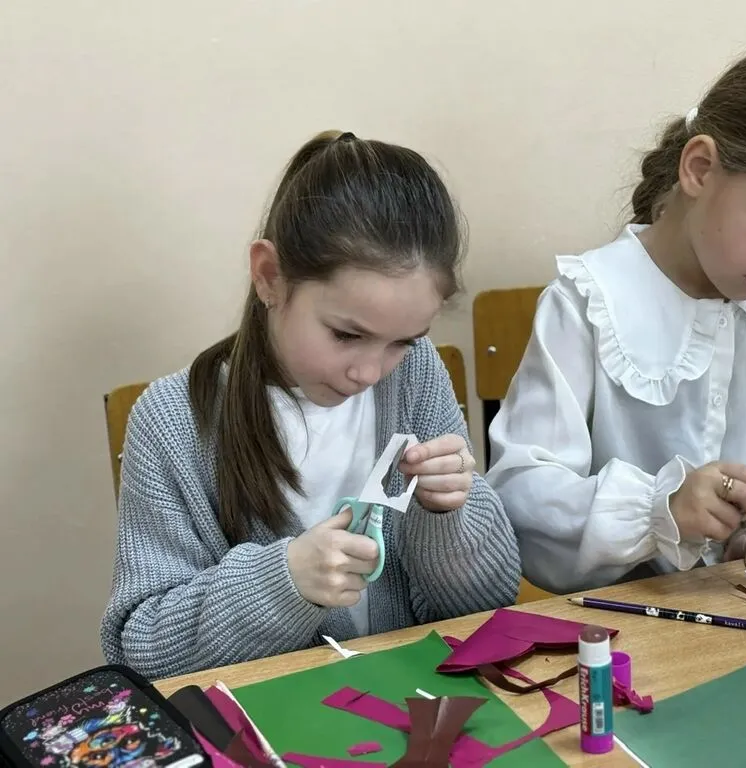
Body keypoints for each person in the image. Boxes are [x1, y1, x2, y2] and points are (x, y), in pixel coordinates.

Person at [100, 130, 521, 679]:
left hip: (411, 698)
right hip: (268, 717)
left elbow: (488, 602)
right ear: (269, 277)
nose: (369, 372)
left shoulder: (415, 375)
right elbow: (142, 650)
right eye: (346, 335)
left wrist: (447, 515)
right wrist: (284, 583)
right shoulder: (174, 420)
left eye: (402, 341)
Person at [486, 33, 746, 594]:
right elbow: (523, 494)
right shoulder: (589, 301)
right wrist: (660, 510)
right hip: (618, 622)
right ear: (699, 168)